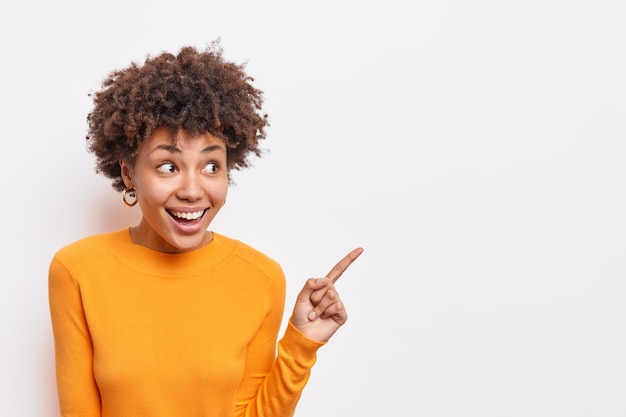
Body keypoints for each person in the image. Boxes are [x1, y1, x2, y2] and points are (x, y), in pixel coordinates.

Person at [48, 42, 363, 417]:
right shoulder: (78, 271)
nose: (193, 190)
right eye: (168, 166)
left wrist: (301, 346)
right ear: (129, 172)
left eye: (211, 166)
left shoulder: (260, 277)